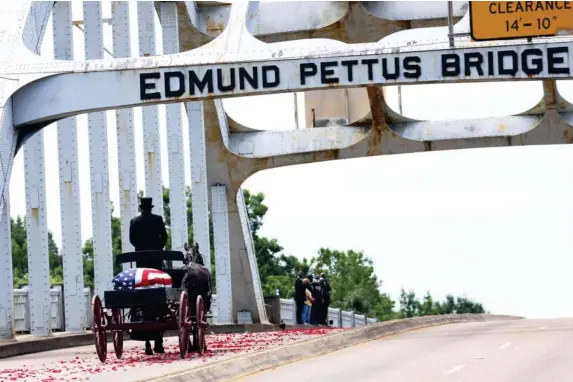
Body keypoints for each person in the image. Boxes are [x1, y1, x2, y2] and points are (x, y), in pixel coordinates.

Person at [128, 196, 168, 355]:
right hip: (156, 262)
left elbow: (132, 240)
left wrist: (140, 249)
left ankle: (147, 344)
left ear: (140, 208)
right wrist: (158, 248)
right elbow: (164, 237)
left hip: (141, 263)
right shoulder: (158, 220)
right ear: (151, 208)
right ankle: (158, 341)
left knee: (143, 300)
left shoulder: (134, 222)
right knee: (159, 296)